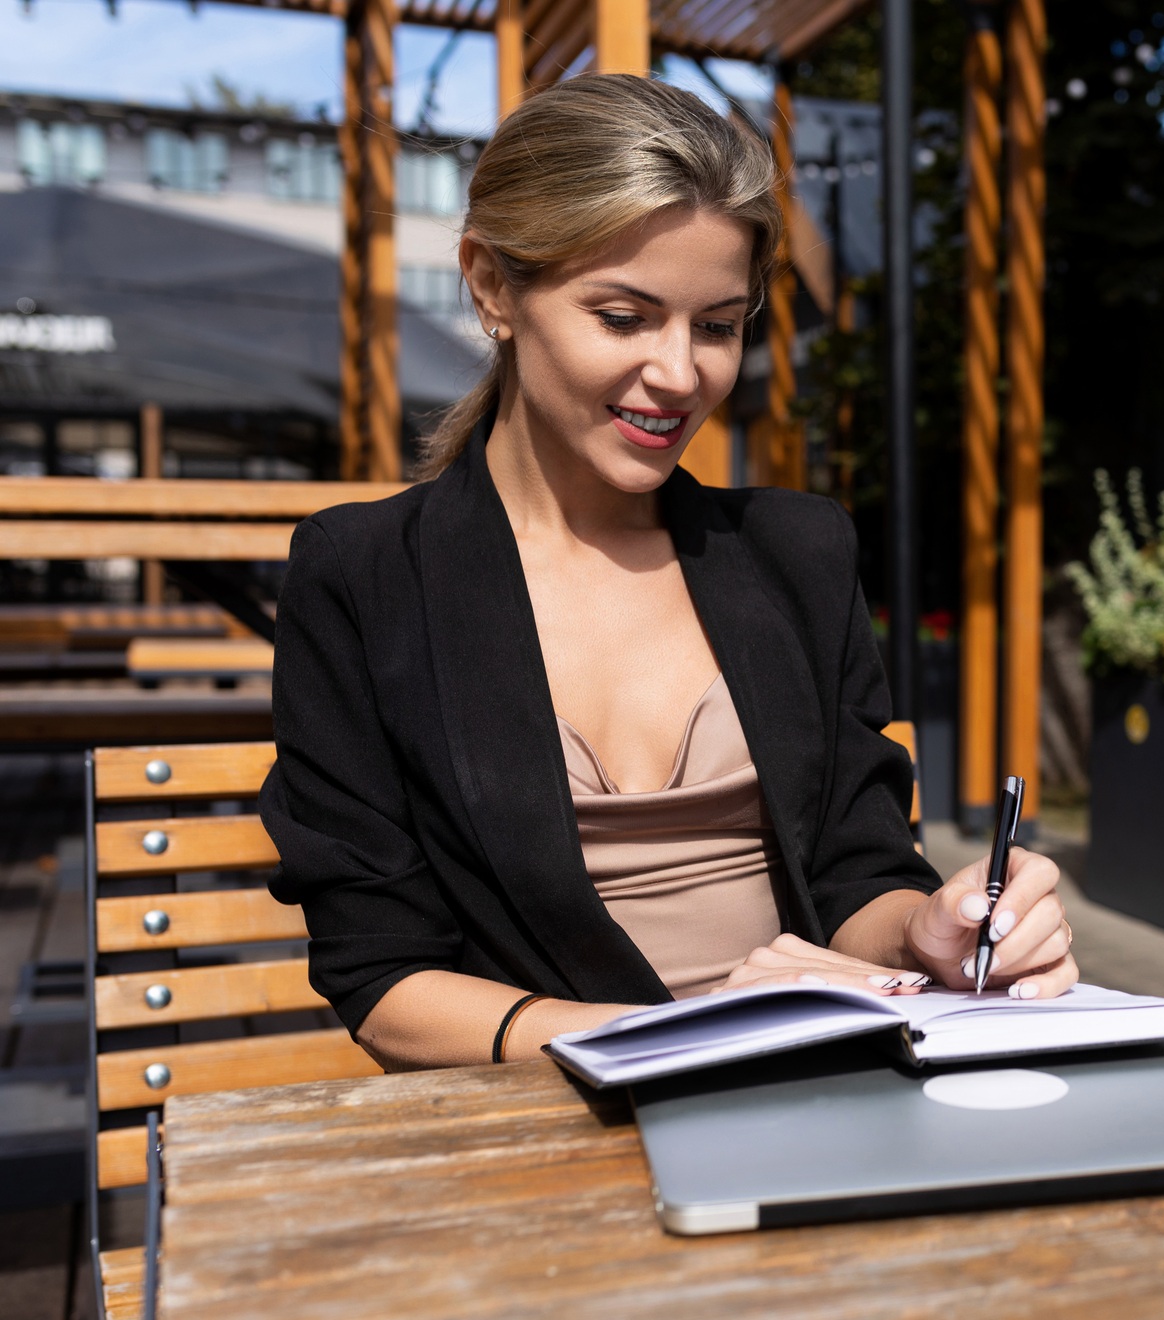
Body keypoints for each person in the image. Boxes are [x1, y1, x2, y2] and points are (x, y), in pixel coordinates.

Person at [260, 75, 1078, 1071]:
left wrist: (929, 934)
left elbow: (856, 874)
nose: (681, 373)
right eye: (623, 316)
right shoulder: (366, 578)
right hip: (549, 1137)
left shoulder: (796, 552)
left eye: (718, 326)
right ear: (489, 285)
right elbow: (382, 981)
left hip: (813, 1098)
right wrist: (683, 1041)